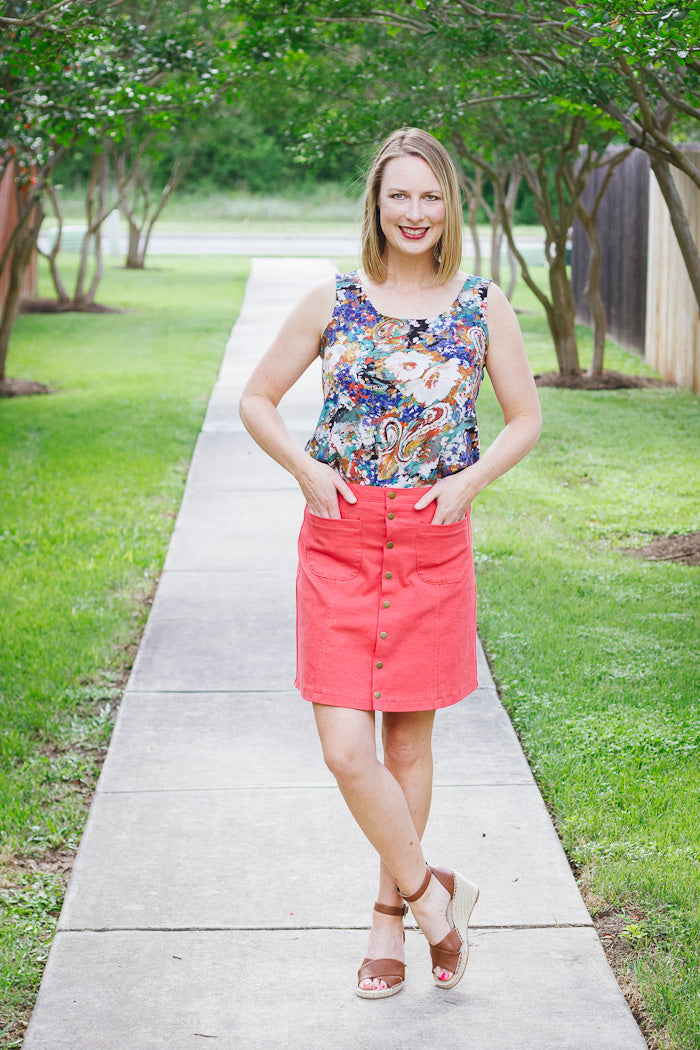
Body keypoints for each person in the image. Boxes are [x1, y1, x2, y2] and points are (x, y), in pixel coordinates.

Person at [239, 127, 541, 998]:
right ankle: (432, 899)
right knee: (345, 748)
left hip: (432, 535)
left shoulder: (483, 305)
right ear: (375, 202)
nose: (415, 213)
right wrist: (305, 469)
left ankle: (388, 927)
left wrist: (469, 484)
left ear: (452, 206)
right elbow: (257, 398)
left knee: (407, 741)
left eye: (431, 196)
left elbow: (524, 418)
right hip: (339, 536)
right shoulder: (334, 299)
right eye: (399, 195)